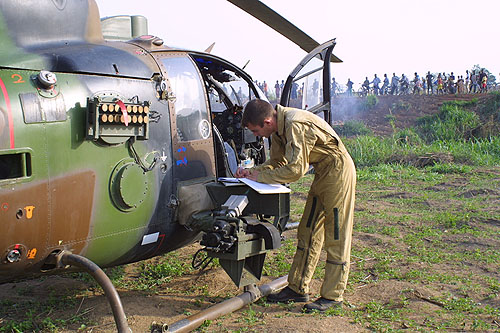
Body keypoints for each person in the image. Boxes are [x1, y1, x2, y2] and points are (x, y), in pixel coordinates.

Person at [236, 99, 356, 312]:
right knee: (308, 230)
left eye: (256, 131)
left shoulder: (295, 123)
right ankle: (298, 288)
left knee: (336, 233)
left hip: (337, 171)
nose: (256, 136)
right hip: (322, 172)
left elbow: (295, 171)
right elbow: (278, 163)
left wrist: (260, 177)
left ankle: (333, 296)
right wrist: (254, 173)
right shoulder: (277, 129)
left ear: (267, 121)